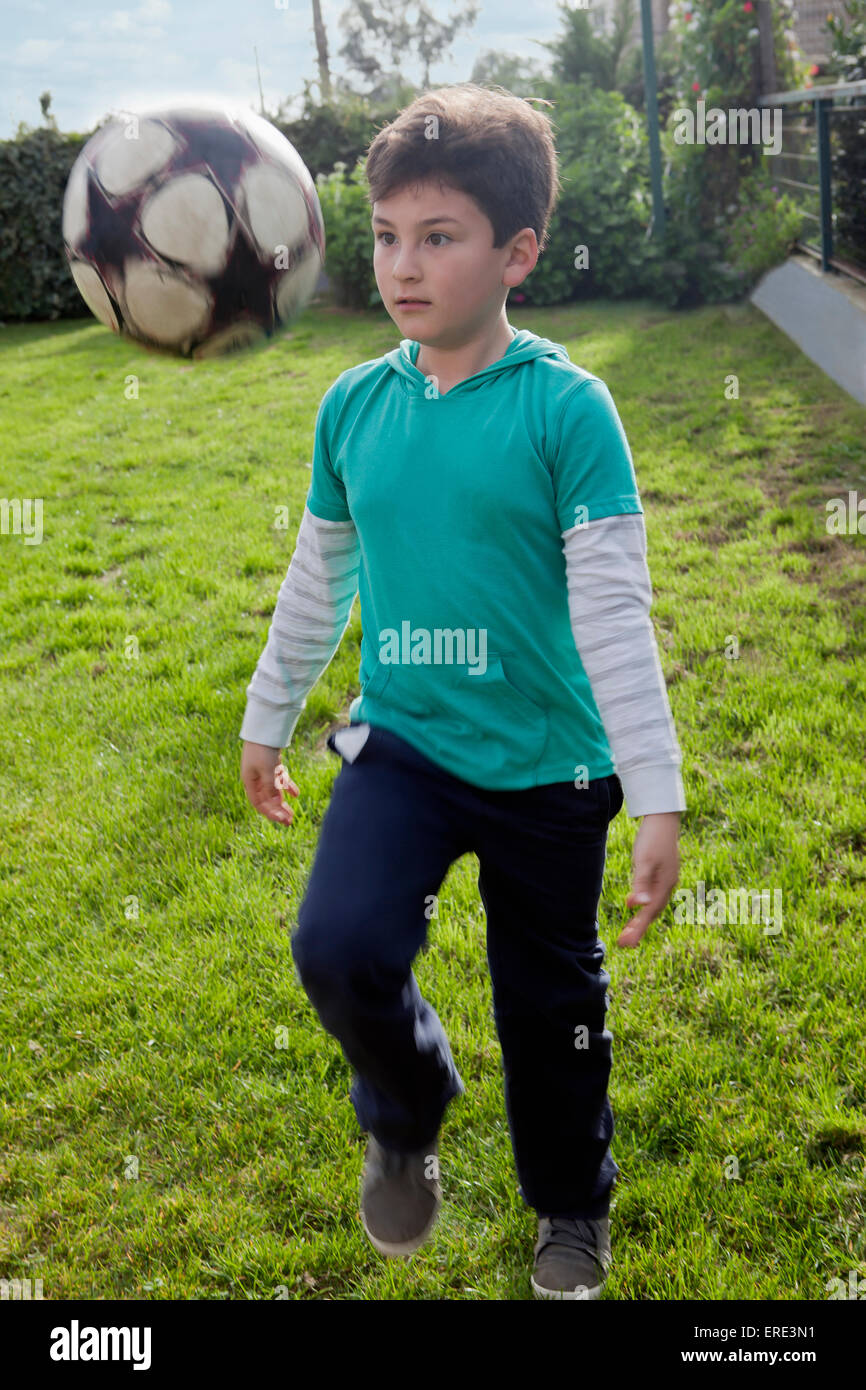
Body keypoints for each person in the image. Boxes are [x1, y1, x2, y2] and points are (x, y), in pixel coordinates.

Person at [239, 83, 685, 1300]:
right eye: (386, 236)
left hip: (551, 764)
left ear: (516, 252)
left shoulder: (567, 411)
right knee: (337, 944)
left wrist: (652, 790)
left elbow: (609, 611)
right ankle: (407, 1105)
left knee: (550, 1006)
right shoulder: (354, 405)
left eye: (437, 238)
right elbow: (318, 573)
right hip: (405, 744)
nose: (402, 265)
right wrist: (267, 714)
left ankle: (568, 1210)